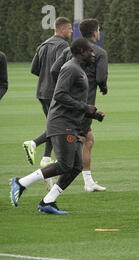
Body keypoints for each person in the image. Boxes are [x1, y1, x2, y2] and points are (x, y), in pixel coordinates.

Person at [9, 38, 105, 214]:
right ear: (81, 51)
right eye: (90, 51)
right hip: (62, 123)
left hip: (72, 124)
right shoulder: (70, 68)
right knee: (64, 165)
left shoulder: (79, 70)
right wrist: (85, 107)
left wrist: (93, 114)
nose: (93, 54)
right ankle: (21, 182)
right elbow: (60, 95)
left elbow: (73, 99)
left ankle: (48, 202)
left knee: (76, 167)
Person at [51, 18, 108, 192]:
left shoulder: (70, 50)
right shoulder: (100, 52)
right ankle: (53, 167)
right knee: (79, 140)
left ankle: (87, 180)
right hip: (84, 104)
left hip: (69, 102)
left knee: (87, 139)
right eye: (98, 29)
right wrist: (104, 88)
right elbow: (100, 78)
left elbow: (54, 70)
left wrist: (63, 87)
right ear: (94, 32)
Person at [23, 17, 73, 190]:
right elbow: (63, 69)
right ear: (63, 29)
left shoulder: (43, 45)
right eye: (70, 29)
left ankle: (46, 160)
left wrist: (45, 80)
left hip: (42, 92)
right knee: (59, 127)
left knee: (53, 126)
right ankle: (34, 144)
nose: (71, 32)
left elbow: (33, 69)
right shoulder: (64, 46)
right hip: (56, 93)